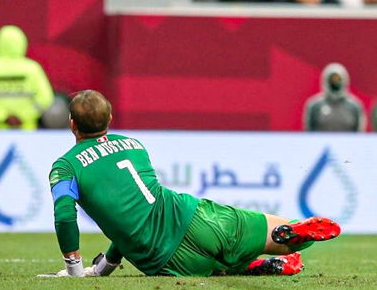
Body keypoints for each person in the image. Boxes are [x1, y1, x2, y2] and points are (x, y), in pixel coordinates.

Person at [45, 90, 341, 278]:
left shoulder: (66, 166)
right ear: (110, 118)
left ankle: (253, 266)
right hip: (195, 215)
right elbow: (137, 209)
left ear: (72, 124)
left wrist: (76, 270)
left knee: (211, 267)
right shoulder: (133, 145)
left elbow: (67, 215)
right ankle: (287, 233)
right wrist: (106, 264)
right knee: (271, 233)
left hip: (164, 257)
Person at [0, 25, 54, 130]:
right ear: (23, 43)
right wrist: (23, 116)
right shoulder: (33, 69)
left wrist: (3, 117)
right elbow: (45, 99)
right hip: (23, 130)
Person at [303, 63, 366, 132]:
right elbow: (309, 132)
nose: (335, 82)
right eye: (332, 80)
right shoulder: (315, 106)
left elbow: (359, 133)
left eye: (338, 79)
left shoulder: (354, 107)